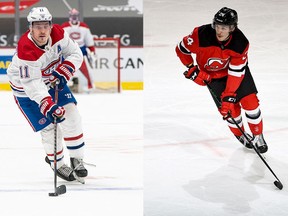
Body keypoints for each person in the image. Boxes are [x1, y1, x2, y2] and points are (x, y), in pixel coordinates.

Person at [7, 7, 88, 182]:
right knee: (50, 128)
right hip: (26, 92)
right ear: (30, 28)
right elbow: (32, 84)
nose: (42, 30)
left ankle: (77, 159)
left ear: (51, 26)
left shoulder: (59, 34)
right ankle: (57, 164)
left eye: (45, 25)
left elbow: (75, 53)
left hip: (51, 81)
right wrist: (48, 104)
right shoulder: (25, 50)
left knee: (72, 116)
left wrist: (64, 70)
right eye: (37, 26)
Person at [175, 7, 268, 153]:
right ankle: (240, 134)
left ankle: (258, 135)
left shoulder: (240, 43)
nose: (219, 31)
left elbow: (236, 72)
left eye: (224, 27)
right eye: (217, 26)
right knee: (230, 111)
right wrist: (192, 68)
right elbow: (181, 49)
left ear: (232, 28)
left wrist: (229, 95)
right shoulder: (200, 35)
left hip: (235, 74)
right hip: (212, 77)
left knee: (250, 102)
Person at [61, 8, 96, 93]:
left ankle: (89, 86)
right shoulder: (64, 26)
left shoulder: (84, 26)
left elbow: (89, 40)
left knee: (86, 71)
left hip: (81, 52)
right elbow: (60, 40)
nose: (74, 18)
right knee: (64, 69)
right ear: (69, 16)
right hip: (68, 52)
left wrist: (92, 50)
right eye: (72, 16)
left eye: (75, 16)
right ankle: (64, 87)